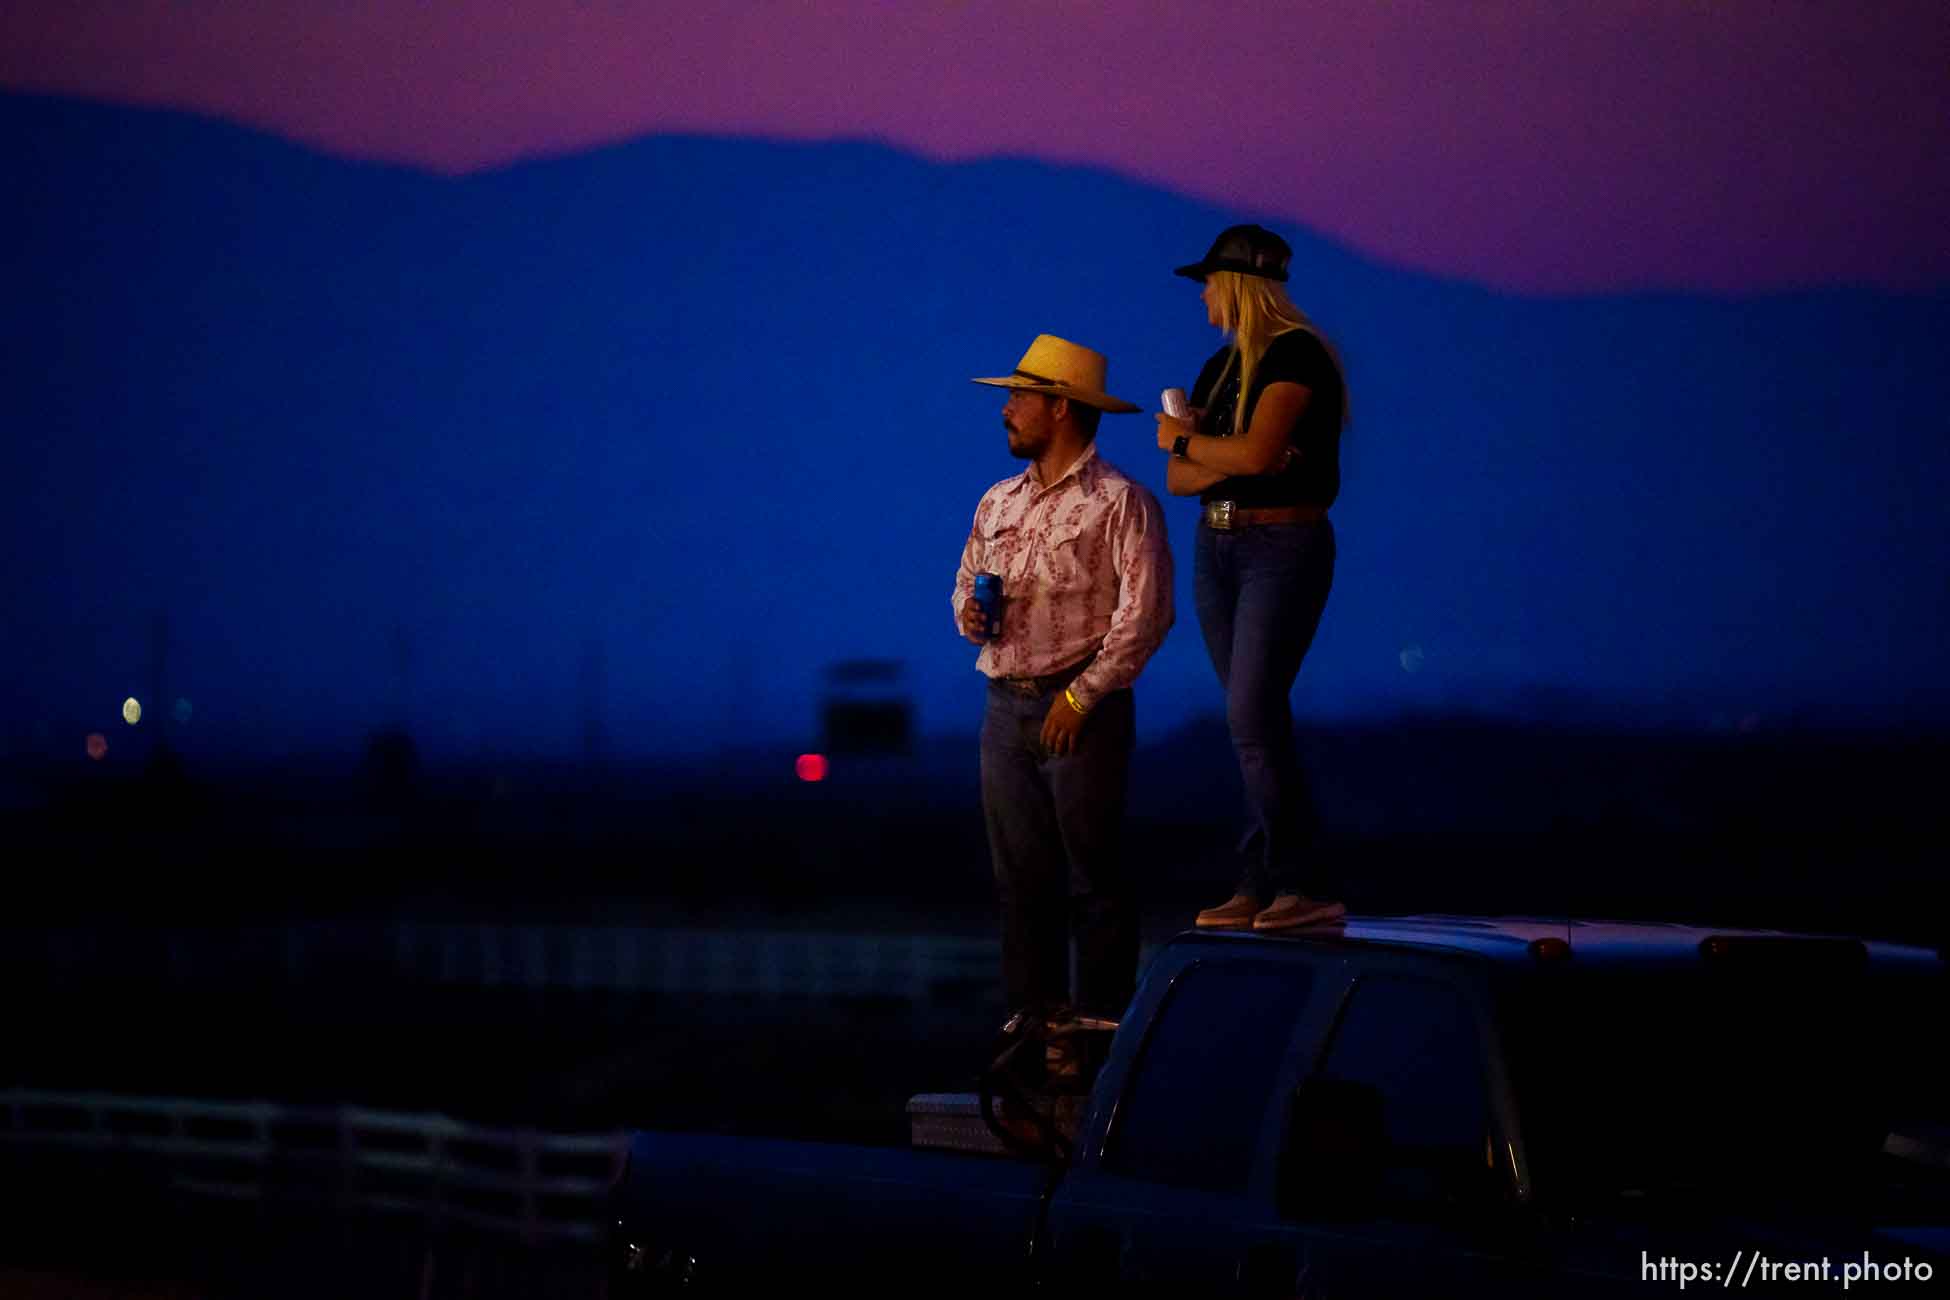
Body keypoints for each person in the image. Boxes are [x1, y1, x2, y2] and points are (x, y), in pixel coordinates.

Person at [953, 333, 1174, 1075]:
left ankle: (1095, 1045)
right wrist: (971, 617)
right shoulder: (997, 499)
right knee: (1021, 882)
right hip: (1004, 703)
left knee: (1094, 881)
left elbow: (1145, 615)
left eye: (1019, 397)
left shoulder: (1121, 503)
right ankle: (1031, 1040)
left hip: (1081, 705)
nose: (1007, 411)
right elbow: (964, 586)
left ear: (1061, 408)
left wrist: (1081, 696)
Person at [1153, 224, 1349, 931]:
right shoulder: (1218, 369)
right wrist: (1222, 453)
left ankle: (1303, 882)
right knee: (1254, 719)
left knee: (1250, 715)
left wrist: (1189, 439)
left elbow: (1257, 454)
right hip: (1219, 543)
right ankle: (1262, 879)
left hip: (1283, 543)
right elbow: (1181, 480)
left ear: (1237, 285)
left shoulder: (1296, 356)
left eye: (1209, 281)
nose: (1203, 294)